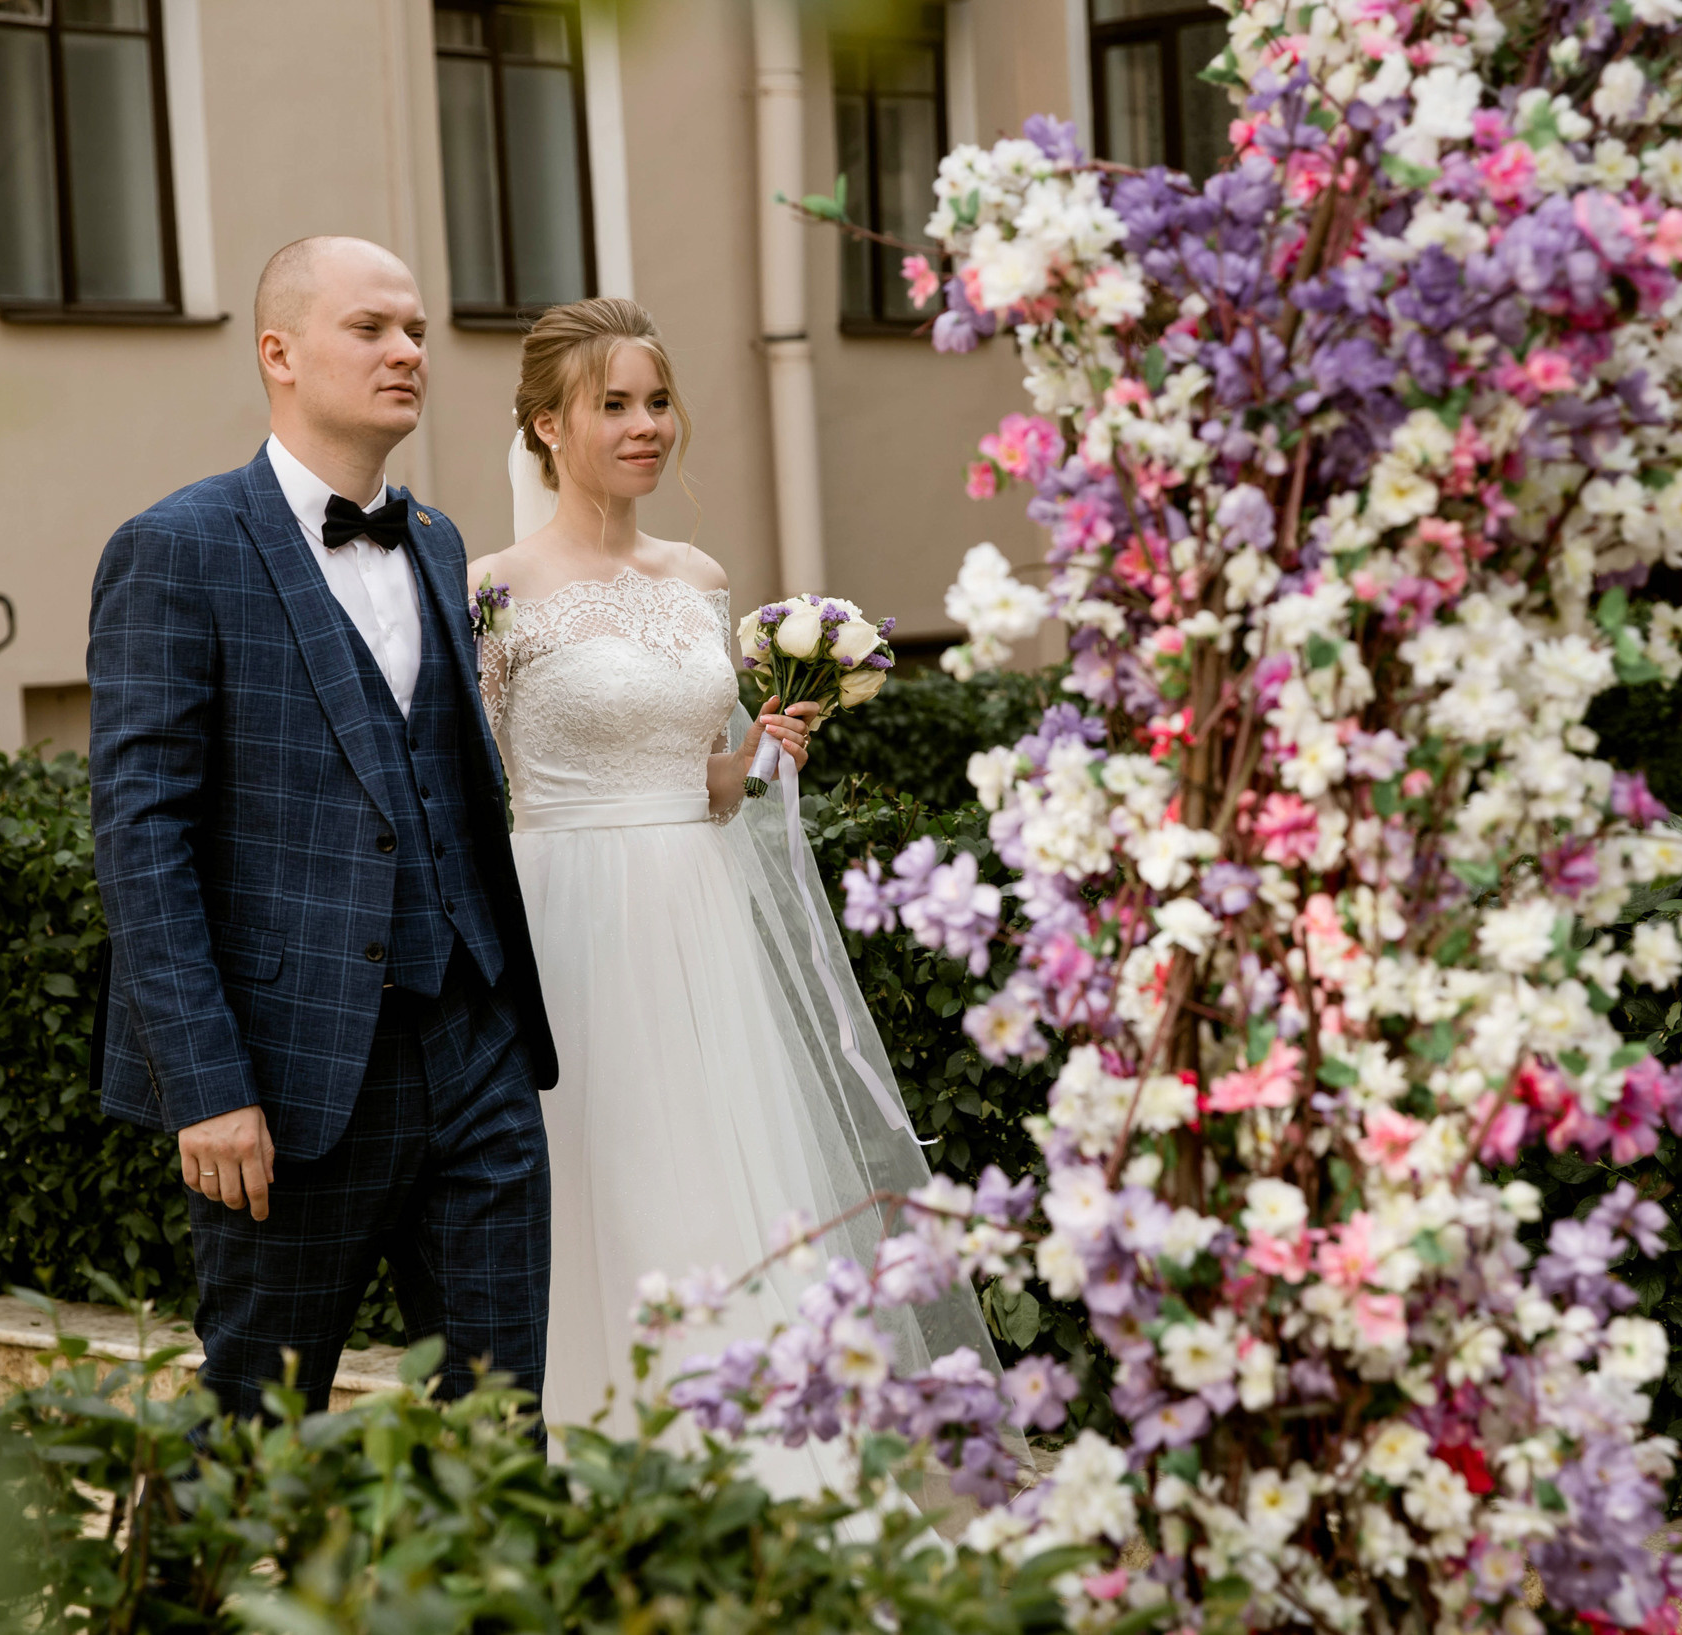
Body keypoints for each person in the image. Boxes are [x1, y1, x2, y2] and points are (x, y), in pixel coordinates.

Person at [469, 297, 1003, 1489]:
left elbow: (697, 779)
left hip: (696, 915)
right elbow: (476, 787)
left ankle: (753, 1468)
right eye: (614, 405)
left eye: (657, 401)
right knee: (599, 1180)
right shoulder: (493, 588)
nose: (647, 425)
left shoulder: (696, 576)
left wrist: (759, 756)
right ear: (549, 427)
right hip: (567, 917)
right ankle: (595, 1462)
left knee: (710, 1170)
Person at [86, 236, 559, 1420]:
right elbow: (142, 839)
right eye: (372, 328)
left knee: (499, 1423)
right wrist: (204, 1085)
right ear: (278, 353)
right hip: (289, 1084)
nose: (408, 351)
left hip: (476, 1049)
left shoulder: (440, 541)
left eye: (415, 330)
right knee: (253, 1431)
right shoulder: (175, 551)